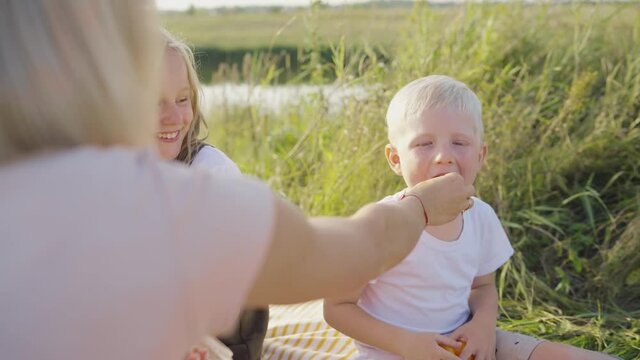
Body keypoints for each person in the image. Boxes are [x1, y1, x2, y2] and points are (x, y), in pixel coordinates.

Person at [0, 2, 474, 360]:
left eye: (182, 99)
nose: (171, 116)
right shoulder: (157, 206)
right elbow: (352, 253)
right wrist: (422, 204)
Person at [323, 75, 618, 360]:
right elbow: (337, 307)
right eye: (424, 144)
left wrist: (483, 326)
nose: (443, 156)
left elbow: (482, 287)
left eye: (459, 143)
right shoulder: (386, 223)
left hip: (467, 343)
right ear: (396, 159)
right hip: (394, 352)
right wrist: (406, 343)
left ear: (480, 155)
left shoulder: (480, 216)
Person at [157, 29, 267, 360]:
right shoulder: (108, 173)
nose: (175, 117)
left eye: (182, 99)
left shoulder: (209, 173)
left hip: (224, 337)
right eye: (154, 102)